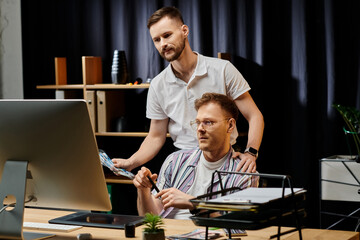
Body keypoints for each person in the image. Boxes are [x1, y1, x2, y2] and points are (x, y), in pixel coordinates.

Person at [113, 6, 264, 173]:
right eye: (157, 40)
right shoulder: (158, 85)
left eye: (167, 35)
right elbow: (155, 136)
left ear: (184, 31)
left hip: (224, 159)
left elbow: (254, 115)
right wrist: (130, 162)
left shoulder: (223, 69)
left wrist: (251, 153)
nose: (163, 44)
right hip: (183, 163)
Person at [133, 93, 259, 219]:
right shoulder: (175, 161)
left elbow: (236, 228)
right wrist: (143, 190)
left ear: (230, 125)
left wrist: (194, 203)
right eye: (198, 122)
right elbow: (150, 218)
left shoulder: (244, 174)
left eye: (208, 122)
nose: (200, 129)